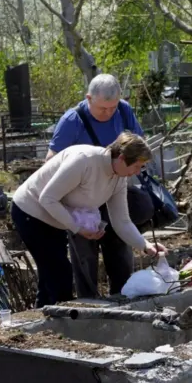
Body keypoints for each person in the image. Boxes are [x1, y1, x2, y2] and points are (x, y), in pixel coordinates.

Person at [11, 132, 167, 308]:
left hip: (55, 217)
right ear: (122, 158)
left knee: (51, 274)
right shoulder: (84, 161)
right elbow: (47, 198)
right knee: (59, 273)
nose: (137, 172)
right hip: (31, 212)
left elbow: (121, 221)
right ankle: (61, 323)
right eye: (137, 166)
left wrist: (145, 246)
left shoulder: (118, 179)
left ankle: (43, 323)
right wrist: (77, 228)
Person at [46, 74, 155, 299]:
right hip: (81, 201)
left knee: (121, 244)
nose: (107, 113)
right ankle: (89, 303)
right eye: (102, 108)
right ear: (88, 98)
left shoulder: (124, 111)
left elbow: (139, 148)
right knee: (85, 252)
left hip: (113, 191)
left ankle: (124, 297)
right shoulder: (72, 120)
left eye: (111, 108)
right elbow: (51, 161)